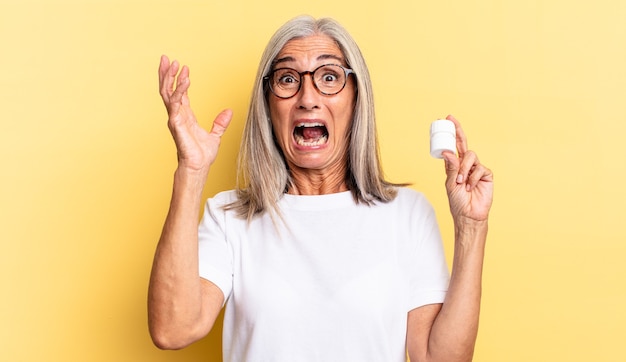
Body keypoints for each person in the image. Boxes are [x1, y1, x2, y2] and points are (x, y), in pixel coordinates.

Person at [148, 15, 493, 362]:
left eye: (329, 77)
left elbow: (439, 359)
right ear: (268, 106)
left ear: (357, 100)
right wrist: (191, 171)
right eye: (287, 79)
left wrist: (472, 228)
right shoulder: (229, 217)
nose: (307, 98)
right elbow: (173, 329)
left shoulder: (408, 214)